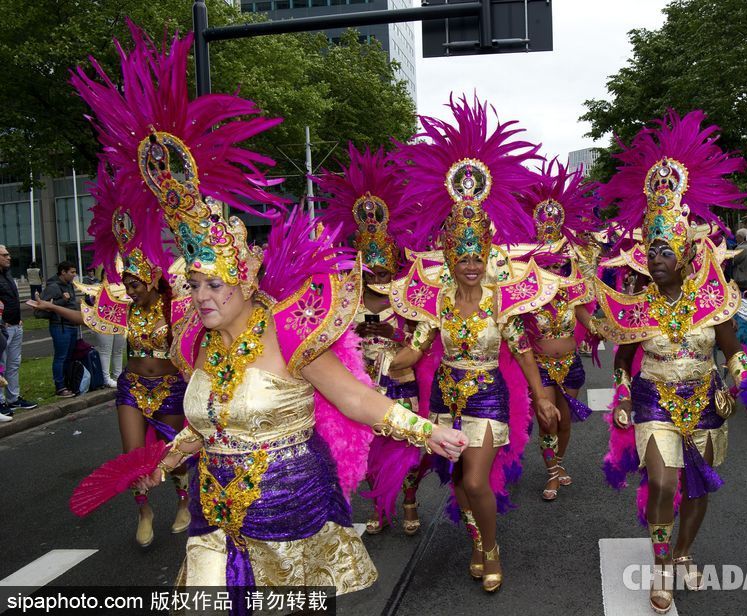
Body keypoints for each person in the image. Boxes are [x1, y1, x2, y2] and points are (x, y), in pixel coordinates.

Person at [73, 25, 466, 597]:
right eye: (196, 283)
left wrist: (425, 432)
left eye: (215, 283)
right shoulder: (195, 340)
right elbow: (210, 422)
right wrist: (166, 455)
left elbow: (354, 398)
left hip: (294, 511)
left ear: (246, 279)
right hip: (218, 517)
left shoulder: (290, 331)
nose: (202, 296)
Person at [385, 94, 561, 593]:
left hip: (487, 393)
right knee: (459, 481)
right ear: (448, 255)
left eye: (476, 255)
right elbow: (414, 352)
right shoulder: (435, 303)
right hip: (445, 394)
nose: (469, 263)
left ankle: (491, 545)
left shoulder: (499, 299)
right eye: (461, 256)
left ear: (486, 255)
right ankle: (476, 540)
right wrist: (374, 360)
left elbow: (522, 348)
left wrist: (541, 395)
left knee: (478, 480)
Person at [597, 110, 747, 615]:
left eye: (666, 250)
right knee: (664, 482)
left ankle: (685, 549)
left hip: (706, 403)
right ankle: (663, 564)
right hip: (654, 400)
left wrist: (744, 377)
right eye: (651, 250)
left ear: (689, 255)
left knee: (697, 489)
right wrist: (624, 393)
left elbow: (733, 349)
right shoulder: (639, 307)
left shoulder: (715, 302)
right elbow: (623, 362)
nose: (657, 257)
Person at [29, 172, 191, 547]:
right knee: (133, 457)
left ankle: (183, 501)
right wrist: (51, 305)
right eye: (127, 285)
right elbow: (87, 317)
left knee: (173, 454)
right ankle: (144, 511)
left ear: (151, 280)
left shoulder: (176, 309)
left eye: (134, 285)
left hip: (170, 387)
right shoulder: (127, 311)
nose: (129, 291)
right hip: (133, 387)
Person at [314, 144, 430, 536]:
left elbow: (417, 349)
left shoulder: (408, 299)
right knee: (368, 449)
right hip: (359, 386)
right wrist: (355, 338)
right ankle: (381, 505)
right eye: (370, 268)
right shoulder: (344, 303)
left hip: (399, 380)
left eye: (384, 268)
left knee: (406, 449)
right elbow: (328, 342)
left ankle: (409, 500)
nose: (378, 275)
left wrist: (392, 339)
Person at [519, 159, 603, 501]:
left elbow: (583, 313)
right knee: (547, 421)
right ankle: (552, 474)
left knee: (565, 422)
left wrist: (599, 327)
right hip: (539, 361)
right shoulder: (523, 275)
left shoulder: (573, 278)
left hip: (570, 361)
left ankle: (560, 462)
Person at [0, 245, 36, 414]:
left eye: (8, 255)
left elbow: (12, 299)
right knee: (1, 366)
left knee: (13, 364)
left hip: (15, 325)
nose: (9, 257)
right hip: (3, 328)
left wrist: (18, 319)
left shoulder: (7, 275)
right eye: (5, 255)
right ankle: (1, 402)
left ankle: (13, 398)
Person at [39, 261, 80, 398]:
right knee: (61, 357)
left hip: (72, 326)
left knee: (68, 357)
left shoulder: (69, 285)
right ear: (63, 272)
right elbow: (40, 309)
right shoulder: (53, 287)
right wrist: (62, 300)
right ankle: (60, 387)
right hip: (60, 326)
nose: (75, 275)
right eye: (72, 272)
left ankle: (68, 383)